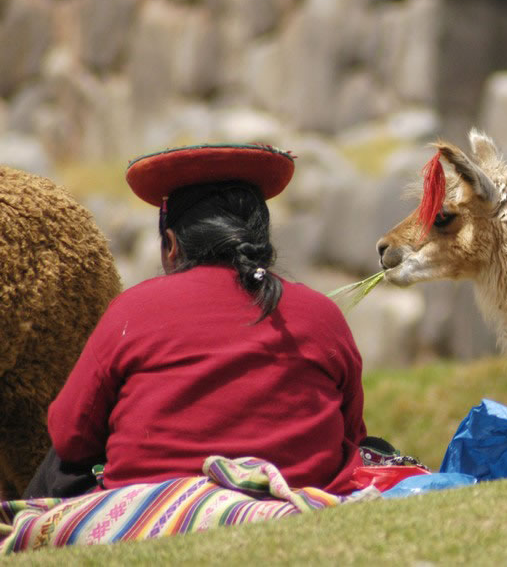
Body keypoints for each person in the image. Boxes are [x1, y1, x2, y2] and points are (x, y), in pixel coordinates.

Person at [26, 143, 368, 497]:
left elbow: (70, 436)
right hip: (293, 501)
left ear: (171, 245)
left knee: (59, 465)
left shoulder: (132, 311)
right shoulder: (320, 314)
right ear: (261, 241)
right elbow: (352, 434)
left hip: (151, 512)